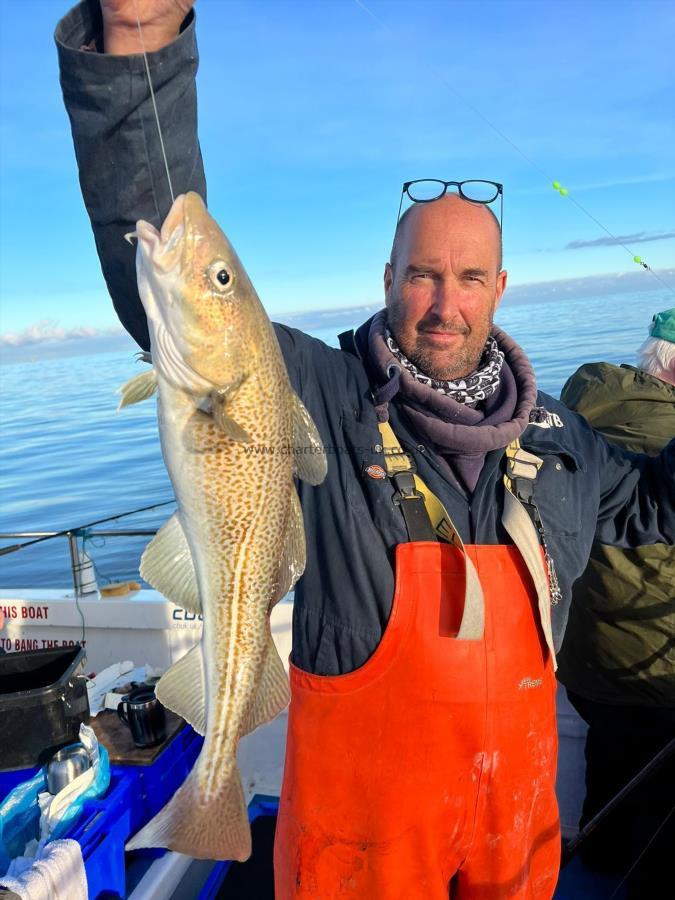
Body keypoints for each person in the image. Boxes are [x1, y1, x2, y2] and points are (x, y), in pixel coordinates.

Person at [54, 2, 675, 897]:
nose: (443, 304)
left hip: (510, 841)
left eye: (467, 278)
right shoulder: (315, 391)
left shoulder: (557, 439)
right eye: (422, 274)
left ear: (499, 287)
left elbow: (654, 506)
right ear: (388, 279)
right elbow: (173, 277)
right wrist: (142, 45)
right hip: (361, 853)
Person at [557, 309, 675, 897]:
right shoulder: (664, 445)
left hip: (584, 667)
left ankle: (602, 857)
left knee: (612, 762)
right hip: (653, 677)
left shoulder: (576, 413)